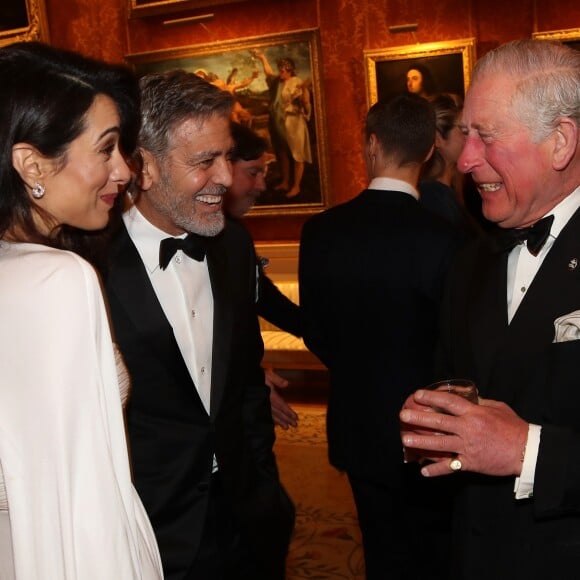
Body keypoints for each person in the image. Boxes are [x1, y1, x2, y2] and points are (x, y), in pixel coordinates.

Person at [102, 69, 294, 580]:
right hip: (149, 530)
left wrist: (266, 491)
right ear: (143, 168)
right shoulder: (88, 267)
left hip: (245, 519)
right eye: (204, 162)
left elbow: (247, 381)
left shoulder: (233, 245)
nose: (227, 178)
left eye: (227, 156)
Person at [400, 39, 580, 578]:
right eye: (464, 135)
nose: (465, 157)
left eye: (486, 136)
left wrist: (530, 450)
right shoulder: (472, 258)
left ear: (561, 142)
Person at [0, 41, 162, 579]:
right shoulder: (56, 281)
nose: (124, 171)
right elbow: (78, 504)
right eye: (107, 149)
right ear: (31, 164)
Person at [299, 94, 463, 579]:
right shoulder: (448, 238)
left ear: (371, 144)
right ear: (429, 152)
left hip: (358, 423)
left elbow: (316, 333)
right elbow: (454, 343)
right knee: (435, 550)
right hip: (431, 428)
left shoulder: (322, 231)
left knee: (381, 551)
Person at [225, 122, 300, 430]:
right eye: (253, 173)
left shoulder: (234, 236)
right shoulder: (206, 238)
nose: (261, 186)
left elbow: (262, 297)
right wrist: (249, 378)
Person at [251, 49, 312, 199]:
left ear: (290, 71)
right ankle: (285, 182)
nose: (281, 73)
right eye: (280, 70)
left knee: (297, 154)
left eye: (283, 70)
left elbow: (305, 103)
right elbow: (268, 73)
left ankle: (296, 186)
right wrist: (262, 58)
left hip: (294, 123)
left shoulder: (297, 82)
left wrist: (303, 92)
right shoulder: (278, 83)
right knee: (283, 152)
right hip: (280, 123)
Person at [418, 92, 478, 235]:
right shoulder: (433, 198)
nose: (470, 138)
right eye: (463, 130)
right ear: (438, 139)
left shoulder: (455, 188)